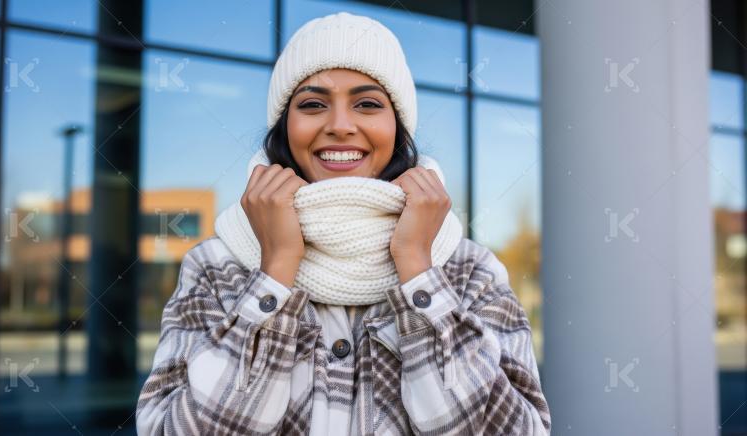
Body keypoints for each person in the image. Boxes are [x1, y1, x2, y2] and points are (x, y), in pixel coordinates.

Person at [136, 11, 551, 435]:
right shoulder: (216, 267)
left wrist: (416, 267)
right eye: (313, 104)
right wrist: (276, 269)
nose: (339, 126)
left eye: (368, 104)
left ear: (398, 128)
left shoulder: (469, 272)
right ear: (285, 127)